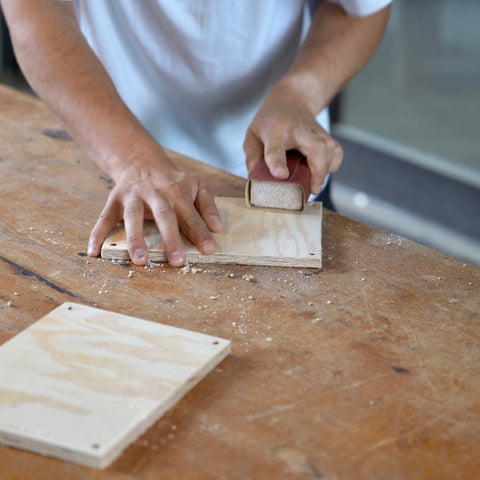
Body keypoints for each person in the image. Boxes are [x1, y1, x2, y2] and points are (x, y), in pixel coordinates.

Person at [1, 0, 391, 266]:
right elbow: (35, 14)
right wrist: (131, 158)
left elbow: (359, 9)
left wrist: (300, 91)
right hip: (110, 153)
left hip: (279, 157)